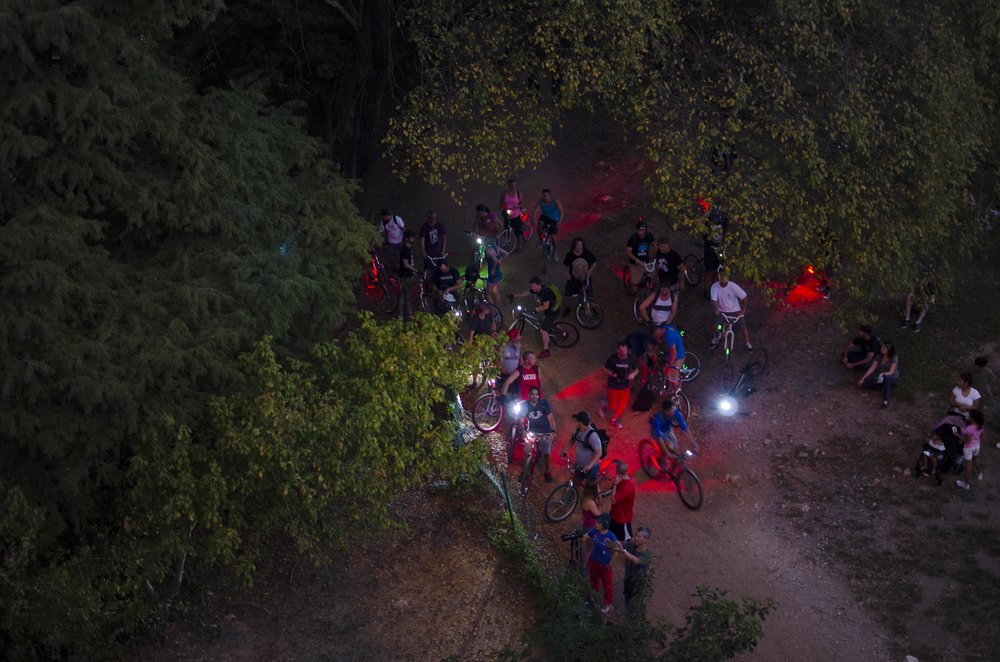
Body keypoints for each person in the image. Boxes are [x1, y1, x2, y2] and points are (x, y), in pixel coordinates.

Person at [510, 276, 558, 358]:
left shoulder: (544, 292)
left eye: (533, 286)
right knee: (547, 322)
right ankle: (561, 332)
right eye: (531, 286)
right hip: (549, 310)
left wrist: (535, 310)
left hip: (552, 311)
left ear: (539, 285)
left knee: (543, 330)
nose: (532, 288)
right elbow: (524, 293)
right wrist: (513, 295)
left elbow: (546, 306)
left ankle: (546, 351)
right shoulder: (536, 289)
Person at [709, 268, 752, 352]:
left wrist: (743, 310)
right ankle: (715, 337)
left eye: (725, 281)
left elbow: (744, 297)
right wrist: (715, 309)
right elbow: (713, 300)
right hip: (721, 311)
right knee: (715, 324)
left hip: (735, 311)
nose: (723, 283)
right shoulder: (714, 286)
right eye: (722, 281)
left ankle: (747, 343)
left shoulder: (733, 286)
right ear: (719, 278)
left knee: (743, 326)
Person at [617, 526, 652, 620]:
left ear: (646, 539)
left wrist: (624, 552)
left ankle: (635, 621)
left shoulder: (647, 555)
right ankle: (629, 619)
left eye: (639, 536)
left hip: (637, 584)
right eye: (635, 535)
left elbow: (637, 561)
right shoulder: (631, 546)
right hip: (628, 579)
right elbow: (619, 546)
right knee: (627, 600)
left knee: (636, 605)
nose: (636, 538)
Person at [523, 386, 557, 482]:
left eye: (536, 394)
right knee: (526, 451)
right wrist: (523, 430)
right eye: (532, 394)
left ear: (538, 396)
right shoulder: (525, 405)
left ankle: (547, 471)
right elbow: (520, 420)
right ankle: (524, 471)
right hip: (532, 432)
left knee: (546, 452)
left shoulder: (544, 403)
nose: (534, 396)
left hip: (545, 432)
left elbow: (550, 418)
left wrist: (553, 431)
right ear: (529, 395)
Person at [586, 514, 618, 615]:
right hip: (593, 561)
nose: (596, 524)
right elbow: (585, 537)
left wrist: (610, 564)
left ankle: (607, 603)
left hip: (604, 565)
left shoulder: (610, 537)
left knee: (607, 585)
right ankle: (594, 597)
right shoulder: (594, 531)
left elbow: (615, 551)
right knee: (593, 580)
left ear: (604, 525)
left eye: (598, 523)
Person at [604, 341, 638, 429]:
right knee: (613, 406)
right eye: (622, 351)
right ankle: (604, 404)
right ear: (617, 350)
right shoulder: (612, 359)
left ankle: (614, 420)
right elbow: (604, 367)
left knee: (622, 404)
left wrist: (633, 374)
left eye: (625, 351)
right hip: (613, 386)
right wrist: (610, 373)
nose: (624, 353)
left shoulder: (630, 358)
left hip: (625, 385)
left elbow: (636, 369)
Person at [565, 411, 603, 483]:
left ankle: (598, 493)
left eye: (577, 420)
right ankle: (573, 492)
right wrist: (566, 449)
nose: (576, 422)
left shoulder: (592, 436)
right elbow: (573, 439)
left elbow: (599, 453)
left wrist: (590, 465)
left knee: (590, 489)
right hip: (580, 465)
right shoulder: (578, 430)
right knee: (576, 481)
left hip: (591, 468)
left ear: (580, 422)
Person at [859, 342, 900, 408]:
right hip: (880, 376)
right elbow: (872, 367)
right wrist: (863, 378)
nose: (881, 348)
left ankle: (885, 401)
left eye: (883, 348)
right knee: (863, 384)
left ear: (888, 350)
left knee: (886, 378)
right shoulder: (879, 355)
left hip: (892, 377)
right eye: (882, 347)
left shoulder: (894, 357)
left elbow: (891, 372)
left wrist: (883, 374)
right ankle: (881, 387)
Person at [701, 205, 728, 299]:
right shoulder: (707, 223)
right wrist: (706, 212)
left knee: (719, 268)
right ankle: (706, 289)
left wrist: (728, 212)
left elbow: (735, 221)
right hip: (710, 248)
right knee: (709, 270)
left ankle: (718, 287)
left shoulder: (724, 222)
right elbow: (699, 222)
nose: (716, 221)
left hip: (720, 248)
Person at [956, 410, 985, 490]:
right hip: (977, 446)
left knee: (968, 466)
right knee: (975, 459)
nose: (968, 417)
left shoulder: (969, 428)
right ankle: (979, 474)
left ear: (973, 419)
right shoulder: (981, 426)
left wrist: (958, 435)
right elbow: (982, 437)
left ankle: (966, 484)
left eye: (970, 416)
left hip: (968, 448)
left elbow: (967, 441)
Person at [563, 237, 597, 304]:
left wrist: (590, 271)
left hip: (585, 277)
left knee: (590, 294)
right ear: (574, 246)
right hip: (573, 278)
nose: (579, 247)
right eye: (577, 245)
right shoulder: (570, 255)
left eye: (581, 245)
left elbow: (594, 262)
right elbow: (565, 265)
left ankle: (593, 308)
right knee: (568, 293)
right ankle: (567, 308)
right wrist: (567, 274)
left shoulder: (587, 253)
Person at [625, 221, 656, 293]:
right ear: (637, 230)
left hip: (646, 262)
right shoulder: (633, 238)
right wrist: (637, 261)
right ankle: (635, 296)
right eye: (640, 230)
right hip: (635, 263)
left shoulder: (649, 236)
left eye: (643, 230)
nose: (641, 232)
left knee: (652, 276)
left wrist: (656, 254)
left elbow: (654, 244)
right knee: (634, 284)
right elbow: (628, 252)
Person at [609, 461, 635, 542]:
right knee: (613, 535)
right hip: (616, 514)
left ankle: (628, 551)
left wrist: (615, 484)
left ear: (617, 472)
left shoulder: (626, 487)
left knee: (627, 538)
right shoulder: (628, 479)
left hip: (622, 517)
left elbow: (613, 500)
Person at [397, 231, 420, 321]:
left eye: (414, 237)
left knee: (407, 295)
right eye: (411, 237)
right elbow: (406, 264)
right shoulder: (405, 249)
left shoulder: (409, 249)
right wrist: (416, 270)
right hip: (405, 276)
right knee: (404, 295)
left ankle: (407, 314)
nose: (413, 239)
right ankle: (402, 315)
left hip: (408, 275)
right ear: (406, 239)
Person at [499, 179, 525, 243]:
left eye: (514, 185)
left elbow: (522, 204)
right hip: (507, 214)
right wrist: (502, 209)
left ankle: (520, 245)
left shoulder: (519, 194)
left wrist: (517, 206)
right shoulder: (504, 194)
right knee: (506, 229)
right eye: (511, 185)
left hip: (516, 214)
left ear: (516, 185)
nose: (512, 187)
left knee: (518, 230)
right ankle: (508, 241)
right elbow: (501, 204)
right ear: (508, 185)